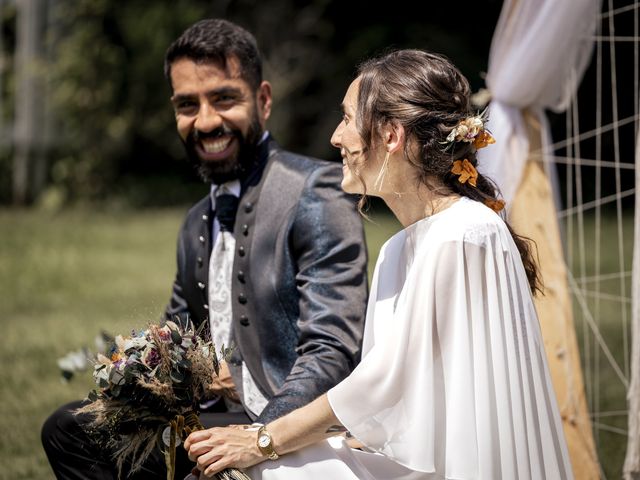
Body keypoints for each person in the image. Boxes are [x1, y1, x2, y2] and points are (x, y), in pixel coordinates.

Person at [183, 49, 574, 480]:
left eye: (348, 119)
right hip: (413, 463)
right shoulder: (395, 251)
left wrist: (263, 439)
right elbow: (388, 406)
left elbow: (377, 389)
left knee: (270, 469)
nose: (336, 137)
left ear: (391, 135)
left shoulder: (465, 234)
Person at [41, 19, 368, 479]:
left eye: (224, 99)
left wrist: (255, 440)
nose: (207, 121)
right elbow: (178, 339)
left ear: (264, 100)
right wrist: (133, 379)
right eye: (187, 105)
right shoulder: (197, 220)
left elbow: (332, 351)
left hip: (297, 430)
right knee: (69, 429)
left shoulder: (316, 191)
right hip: (210, 422)